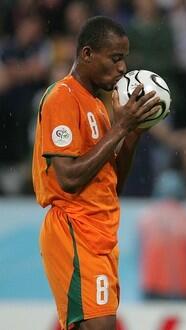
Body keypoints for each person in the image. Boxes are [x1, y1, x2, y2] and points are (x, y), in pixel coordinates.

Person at [32, 16, 161, 330]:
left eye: (124, 59)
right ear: (87, 54)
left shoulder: (98, 106)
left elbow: (111, 183)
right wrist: (120, 128)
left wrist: (133, 134)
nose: (122, 67)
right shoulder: (62, 98)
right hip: (74, 228)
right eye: (115, 58)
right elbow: (69, 178)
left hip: (100, 233)